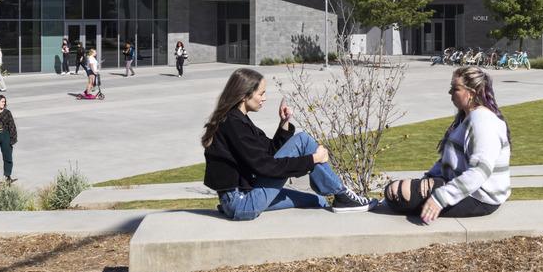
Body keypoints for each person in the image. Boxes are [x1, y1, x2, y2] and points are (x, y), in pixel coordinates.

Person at [201, 67, 369, 218]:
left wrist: (284, 123)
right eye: (261, 93)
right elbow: (267, 166)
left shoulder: (237, 120)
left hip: (244, 196)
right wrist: (312, 160)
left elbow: (269, 151)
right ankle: (342, 194)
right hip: (242, 202)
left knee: (318, 200)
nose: (264, 98)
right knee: (303, 140)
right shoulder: (233, 124)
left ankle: (340, 196)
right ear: (244, 95)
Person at [380, 65, 511, 222]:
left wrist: (439, 199)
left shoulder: (483, 121)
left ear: (471, 93)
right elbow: (447, 161)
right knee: (394, 191)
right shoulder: (466, 118)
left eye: (455, 89)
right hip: (461, 186)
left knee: (398, 194)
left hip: (480, 198)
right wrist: (428, 178)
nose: (450, 92)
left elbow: (480, 171)